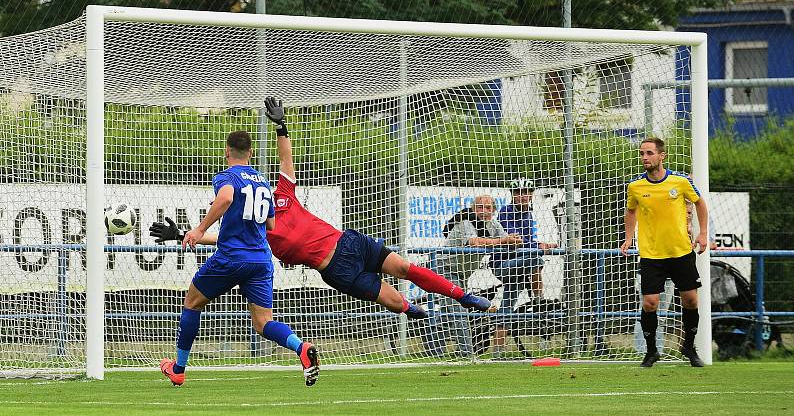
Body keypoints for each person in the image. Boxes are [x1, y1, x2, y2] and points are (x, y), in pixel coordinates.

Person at [153, 99, 494, 344]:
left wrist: (282, 125)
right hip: (335, 268)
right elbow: (232, 233)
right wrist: (186, 233)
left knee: (403, 267)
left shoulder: (277, 202)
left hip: (349, 242)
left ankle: (462, 296)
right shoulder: (265, 224)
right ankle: (412, 308)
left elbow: (285, 161)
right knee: (393, 300)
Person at [151, 130, 320, 387]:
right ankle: (301, 347)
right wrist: (184, 234)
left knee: (192, 302)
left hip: (231, 259)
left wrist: (199, 229)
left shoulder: (227, 177)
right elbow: (271, 224)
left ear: (226, 151)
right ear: (251, 153)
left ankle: (178, 368)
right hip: (261, 262)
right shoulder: (262, 182)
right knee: (264, 323)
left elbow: (227, 197)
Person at [620, 136, 708, 368]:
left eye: (649, 153)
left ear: (662, 155)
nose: (644, 158)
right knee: (649, 303)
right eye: (642, 153)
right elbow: (630, 212)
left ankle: (689, 346)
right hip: (652, 255)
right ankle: (651, 352)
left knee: (690, 300)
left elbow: (699, 203)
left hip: (680, 252)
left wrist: (703, 234)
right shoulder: (636, 186)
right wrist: (629, 238)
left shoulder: (679, 182)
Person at [426, 195, 521, 357]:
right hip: (444, 268)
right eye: (480, 207)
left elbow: (507, 240)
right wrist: (504, 240)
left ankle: (434, 350)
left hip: (462, 273)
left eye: (488, 208)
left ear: (494, 210)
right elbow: (474, 242)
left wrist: (514, 240)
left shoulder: (493, 224)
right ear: (473, 209)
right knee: (459, 311)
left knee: (449, 313)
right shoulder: (465, 222)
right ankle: (467, 354)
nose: (484, 211)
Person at [494, 178, 559, 352]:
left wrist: (541, 245)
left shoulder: (528, 214)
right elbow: (516, 242)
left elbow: (528, 242)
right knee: (536, 258)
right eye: (518, 192)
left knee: (506, 306)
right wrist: (539, 247)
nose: (523, 196)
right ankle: (539, 301)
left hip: (520, 266)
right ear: (512, 195)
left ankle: (497, 352)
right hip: (504, 264)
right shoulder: (505, 212)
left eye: (526, 192)